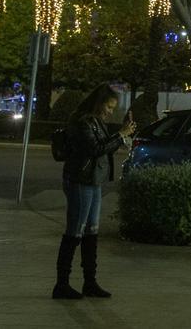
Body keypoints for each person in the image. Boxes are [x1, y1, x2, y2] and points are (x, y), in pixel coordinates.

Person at [52, 84, 135, 300]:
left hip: (93, 181)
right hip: (80, 181)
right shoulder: (82, 122)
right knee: (74, 232)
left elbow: (102, 146)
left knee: (91, 233)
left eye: (112, 108)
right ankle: (62, 284)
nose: (110, 111)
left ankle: (90, 282)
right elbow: (94, 149)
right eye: (108, 107)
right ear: (98, 103)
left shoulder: (96, 122)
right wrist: (120, 135)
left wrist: (121, 133)